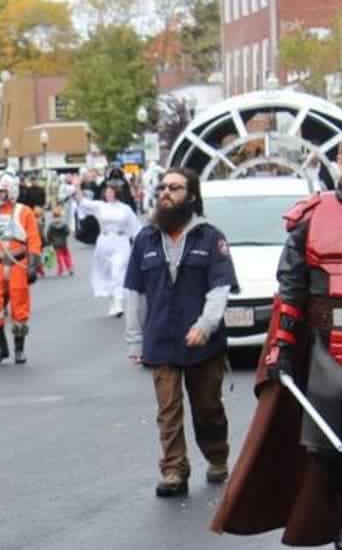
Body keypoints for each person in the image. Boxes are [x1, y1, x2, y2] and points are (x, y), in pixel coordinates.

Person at [214, 129, 342, 550]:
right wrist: (280, 348)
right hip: (324, 349)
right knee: (324, 448)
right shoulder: (310, 219)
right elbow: (291, 291)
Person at [123, 167, 236, 498]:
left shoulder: (210, 236)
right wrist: (134, 339)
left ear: (191, 195)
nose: (166, 193)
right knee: (168, 410)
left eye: (174, 187)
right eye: (162, 187)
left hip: (203, 342)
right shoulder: (145, 239)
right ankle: (174, 469)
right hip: (161, 339)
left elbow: (220, 288)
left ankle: (217, 456)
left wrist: (205, 326)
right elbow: (134, 292)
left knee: (207, 407)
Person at [0, 172, 43, 365]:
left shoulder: (25, 212)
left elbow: (34, 240)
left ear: (11, 191)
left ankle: (19, 349)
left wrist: (33, 265)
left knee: (20, 308)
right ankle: (1, 347)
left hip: (17, 265)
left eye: (1, 191)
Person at [77, 184, 142, 316]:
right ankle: (112, 302)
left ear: (116, 193)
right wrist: (77, 187)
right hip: (104, 242)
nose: (109, 194)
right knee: (107, 273)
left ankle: (118, 303)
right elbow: (83, 202)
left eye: (111, 192)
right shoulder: (100, 206)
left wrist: (142, 243)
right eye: (107, 192)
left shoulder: (125, 209)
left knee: (118, 271)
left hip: (121, 241)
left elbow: (136, 228)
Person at [46, 207, 74, 277]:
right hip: (63, 243)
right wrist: (64, 235)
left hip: (55, 244)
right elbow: (68, 232)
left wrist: (50, 242)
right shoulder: (64, 224)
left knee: (59, 258)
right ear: (60, 215)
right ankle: (69, 268)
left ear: (53, 216)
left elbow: (48, 234)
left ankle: (60, 270)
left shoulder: (51, 225)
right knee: (66, 255)